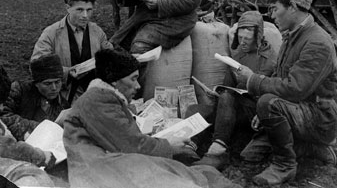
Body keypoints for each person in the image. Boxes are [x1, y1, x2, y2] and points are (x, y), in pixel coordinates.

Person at [63, 48, 240, 188]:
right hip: (97, 170)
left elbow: (128, 141)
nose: (138, 86)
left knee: (187, 170)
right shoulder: (97, 101)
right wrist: (169, 145)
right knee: (179, 174)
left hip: (106, 164)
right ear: (115, 81)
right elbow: (130, 146)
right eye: (133, 79)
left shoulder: (102, 98)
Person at [236, 0, 337, 187]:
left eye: (274, 9)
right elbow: (279, 76)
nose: (271, 15)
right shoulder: (292, 35)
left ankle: (285, 165)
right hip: (297, 111)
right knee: (249, 154)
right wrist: (260, 111)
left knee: (267, 102)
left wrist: (253, 80)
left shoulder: (317, 42)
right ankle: (309, 148)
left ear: (292, 6)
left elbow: (295, 88)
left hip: (319, 118)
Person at [188, 11, 277, 170]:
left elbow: (268, 92)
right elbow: (227, 84)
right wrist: (216, 92)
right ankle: (190, 146)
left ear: (257, 38)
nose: (242, 42)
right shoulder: (239, 55)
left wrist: (248, 81)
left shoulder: (269, 59)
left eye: (247, 39)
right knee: (199, 109)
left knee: (228, 97)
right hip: (235, 104)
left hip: (255, 111)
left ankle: (217, 152)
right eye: (240, 38)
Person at [31, 0, 113, 102]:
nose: (85, 15)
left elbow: (110, 55)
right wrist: (67, 72)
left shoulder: (97, 31)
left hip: (93, 93)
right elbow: (37, 63)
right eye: (80, 10)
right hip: (62, 95)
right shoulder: (51, 32)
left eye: (89, 10)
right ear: (68, 8)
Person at [0, 64, 55, 187]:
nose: (1, 107)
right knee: (33, 178)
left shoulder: (60, 103)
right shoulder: (20, 90)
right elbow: (7, 146)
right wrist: (40, 156)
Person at [0, 54, 69, 142]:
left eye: (57, 82)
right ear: (36, 83)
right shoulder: (19, 91)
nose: (54, 88)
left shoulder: (63, 106)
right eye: (47, 84)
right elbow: (3, 117)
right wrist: (41, 128)